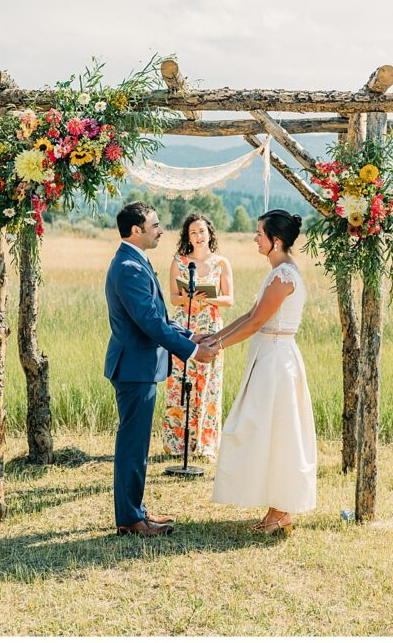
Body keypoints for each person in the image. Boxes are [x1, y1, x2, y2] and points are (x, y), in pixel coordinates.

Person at [104, 202, 218, 537]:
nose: (161, 230)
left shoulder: (135, 261)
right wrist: (193, 350)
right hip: (134, 367)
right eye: (155, 225)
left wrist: (189, 334)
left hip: (138, 365)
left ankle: (134, 510)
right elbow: (151, 324)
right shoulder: (129, 267)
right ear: (136, 230)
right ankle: (130, 519)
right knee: (133, 446)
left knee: (135, 444)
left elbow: (160, 320)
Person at [204, 210, 316, 536]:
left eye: (259, 233)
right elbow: (251, 314)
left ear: (275, 241)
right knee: (262, 430)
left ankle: (281, 511)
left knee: (278, 432)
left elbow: (255, 323)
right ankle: (276, 508)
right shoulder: (276, 272)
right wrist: (214, 338)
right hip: (267, 357)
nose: (255, 238)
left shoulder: (284, 277)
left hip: (277, 363)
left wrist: (218, 348)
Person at [162, 213, 234, 461]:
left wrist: (209, 298)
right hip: (184, 326)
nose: (198, 236)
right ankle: (177, 443)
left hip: (211, 326)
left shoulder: (221, 263)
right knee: (180, 382)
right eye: (193, 232)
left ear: (210, 233)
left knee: (208, 383)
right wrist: (189, 298)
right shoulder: (179, 261)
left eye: (202, 231)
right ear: (188, 237)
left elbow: (229, 299)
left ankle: (205, 444)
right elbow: (172, 298)